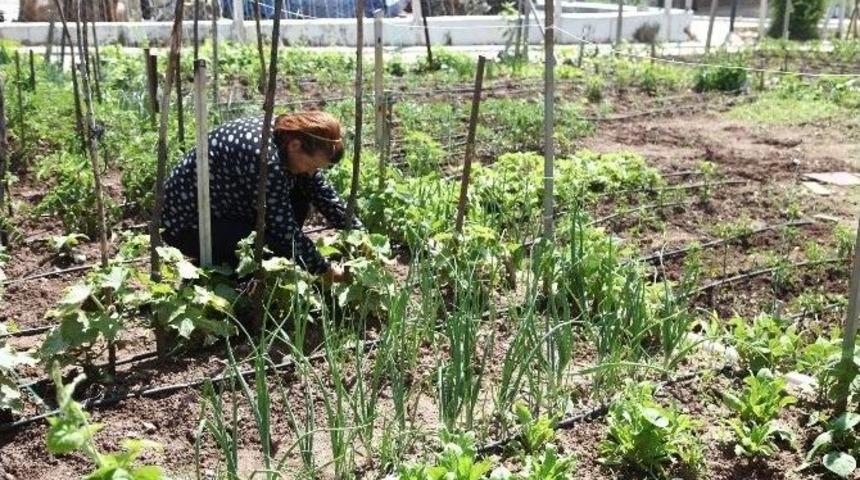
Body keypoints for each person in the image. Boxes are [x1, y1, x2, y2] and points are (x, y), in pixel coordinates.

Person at [161, 111, 360, 284]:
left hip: (226, 205)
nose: (312, 172)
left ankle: (236, 260)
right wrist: (325, 270)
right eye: (313, 165)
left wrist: (361, 236)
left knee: (301, 194)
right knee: (271, 242)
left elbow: (320, 191)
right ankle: (231, 274)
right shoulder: (265, 159)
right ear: (296, 145)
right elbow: (283, 229)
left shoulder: (286, 135)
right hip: (188, 225)